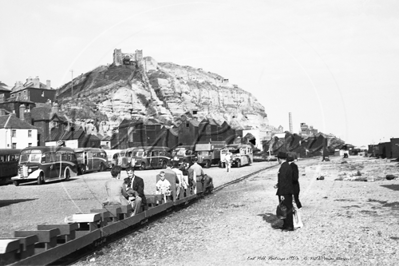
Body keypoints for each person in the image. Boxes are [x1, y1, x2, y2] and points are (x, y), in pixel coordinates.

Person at [274, 152, 294, 231]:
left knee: (287, 209)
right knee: (285, 208)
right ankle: (286, 224)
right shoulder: (286, 166)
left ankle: (289, 226)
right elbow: (285, 180)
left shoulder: (284, 167)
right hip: (287, 190)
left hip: (285, 191)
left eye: (277, 158)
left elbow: (284, 180)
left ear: (280, 158)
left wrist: (282, 193)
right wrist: (278, 184)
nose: (277, 160)